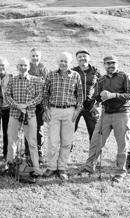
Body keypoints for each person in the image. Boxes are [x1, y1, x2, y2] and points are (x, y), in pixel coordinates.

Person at [80, 55, 130, 183]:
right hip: (106, 114)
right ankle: (89, 166)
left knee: (122, 144)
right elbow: (97, 97)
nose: (111, 65)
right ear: (104, 65)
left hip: (122, 113)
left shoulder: (124, 76)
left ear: (117, 64)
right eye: (108, 63)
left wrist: (113, 95)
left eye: (113, 63)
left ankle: (120, 172)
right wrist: (96, 102)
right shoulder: (101, 80)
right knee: (96, 140)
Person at [43, 52, 83, 181]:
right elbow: (45, 94)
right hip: (54, 110)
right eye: (61, 61)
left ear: (70, 63)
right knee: (53, 142)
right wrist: (46, 109)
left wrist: (77, 110)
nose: (63, 63)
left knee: (66, 142)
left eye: (66, 61)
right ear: (57, 62)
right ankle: (51, 167)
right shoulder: (51, 75)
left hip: (69, 112)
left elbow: (80, 95)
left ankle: (62, 167)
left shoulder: (76, 75)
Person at [5, 57, 44, 178]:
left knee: (32, 142)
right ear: (17, 67)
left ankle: (36, 167)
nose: (23, 67)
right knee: (12, 140)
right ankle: (10, 165)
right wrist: (17, 106)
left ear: (29, 66)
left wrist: (26, 105)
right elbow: (7, 95)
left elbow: (39, 97)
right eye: (20, 65)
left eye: (25, 65)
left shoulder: (36, 80)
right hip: (14, 114)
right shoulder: (12, 80)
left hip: (30, 114)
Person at [72, 49, 101, 140]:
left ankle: (95, 154)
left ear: (89, 58)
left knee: (94, 132)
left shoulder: (95, 72)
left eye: (84, 56)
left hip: (91, 106)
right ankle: (66, 152)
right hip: (75, 106)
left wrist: (97, 104)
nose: (82, 58)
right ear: (77, 59)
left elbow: (101, 88)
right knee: (70, 131)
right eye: (80, 56)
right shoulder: (72, 71)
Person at [25, 48, 48, 161]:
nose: (35, 58)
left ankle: (39, 152)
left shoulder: (44, 69)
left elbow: (46, 85)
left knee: (39, 129)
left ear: (40, 56)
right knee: (28, 128)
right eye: (33, 55)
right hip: (28, 103)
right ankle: (27, 152)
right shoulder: (26, 67)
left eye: (37, 56)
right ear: (30, 57)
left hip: (39, 104)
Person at [0, 57, 13, 159]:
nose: (1, 67)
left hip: (8, 108)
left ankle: (6, 153)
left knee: (7, 132)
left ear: (7, 66)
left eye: (3, 65)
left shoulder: (12, 77)